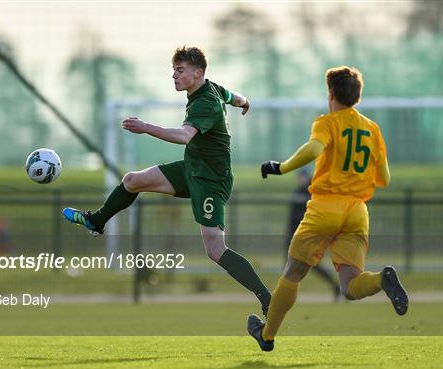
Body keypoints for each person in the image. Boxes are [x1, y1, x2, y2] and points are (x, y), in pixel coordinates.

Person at [63, 46, 271, 316]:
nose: (174, 75)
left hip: (210, 180)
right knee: (132, 180)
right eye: (174, 70)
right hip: (192, 169)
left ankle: (267, 297)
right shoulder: (213, 89)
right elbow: (235, 97)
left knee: (215, 250)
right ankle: (96, 221)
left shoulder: (205, 100)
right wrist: (244, 102)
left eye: (180, 70)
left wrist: (146, 127)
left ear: (197, 73)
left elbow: (185, 136)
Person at [248, 66, 408, 352]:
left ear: (331, 93)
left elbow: (313, 149)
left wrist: (281, 167)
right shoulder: (372, 129)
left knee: (292, 274)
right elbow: (385, 178)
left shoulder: (328, 122)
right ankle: (381, 279)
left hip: (325, 206)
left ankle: (267, 335)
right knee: (351, 286)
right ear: (357, 96)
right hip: (357, 212)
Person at [287, 169, 341, 301]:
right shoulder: (296, 192)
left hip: (309, 236)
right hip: (295, 235)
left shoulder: (313, 193)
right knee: (291, 266)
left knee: (311, 265)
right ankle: (285, 294)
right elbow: (291, 218)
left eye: (303, 177)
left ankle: (336, 287)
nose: (301, 180)